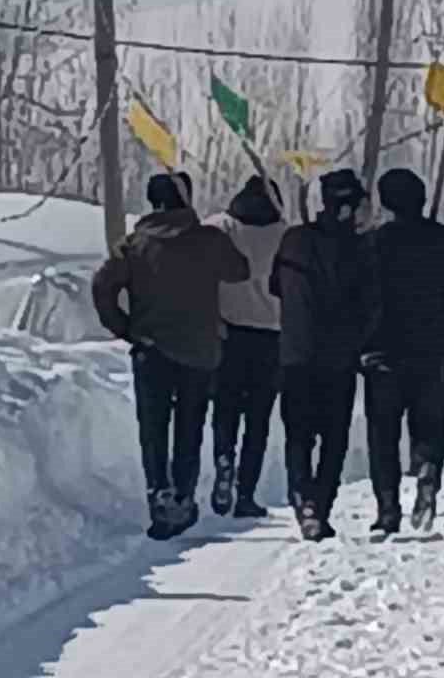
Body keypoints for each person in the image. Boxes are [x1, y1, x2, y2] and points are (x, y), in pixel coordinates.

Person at [92, 172, 249, 541]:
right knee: (189, 427)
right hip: (199, 351)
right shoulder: (208, 240)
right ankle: (183, 495)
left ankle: (158, 495)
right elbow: (239, 270)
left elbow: (101, 286)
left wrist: (124, 327)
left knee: (154, 428)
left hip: (151, 349)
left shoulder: (134, 245)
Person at [362, 168, 444, 537]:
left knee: (382, 434)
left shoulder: (373, 243)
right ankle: (428, 470)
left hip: (382, 350)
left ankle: (387, 508)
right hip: (435, 348)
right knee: (430, 424)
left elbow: (356, 294)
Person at [269, 167, 378, 542]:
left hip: (295, 352)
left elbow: (275, 285)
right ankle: (321, 503)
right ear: (348, 207)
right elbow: (372, 306)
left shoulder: (294, 240)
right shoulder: (362, 250)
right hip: (339, 358)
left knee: (298, 434)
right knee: (334, 438)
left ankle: (303, 501)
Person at [205, 174, 286, 520]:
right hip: (270, 336)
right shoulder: (285, 235)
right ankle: (246, 494)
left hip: (228, 333)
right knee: (258, 419)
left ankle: (224, 457)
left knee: (225, 409)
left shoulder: (219, 228)